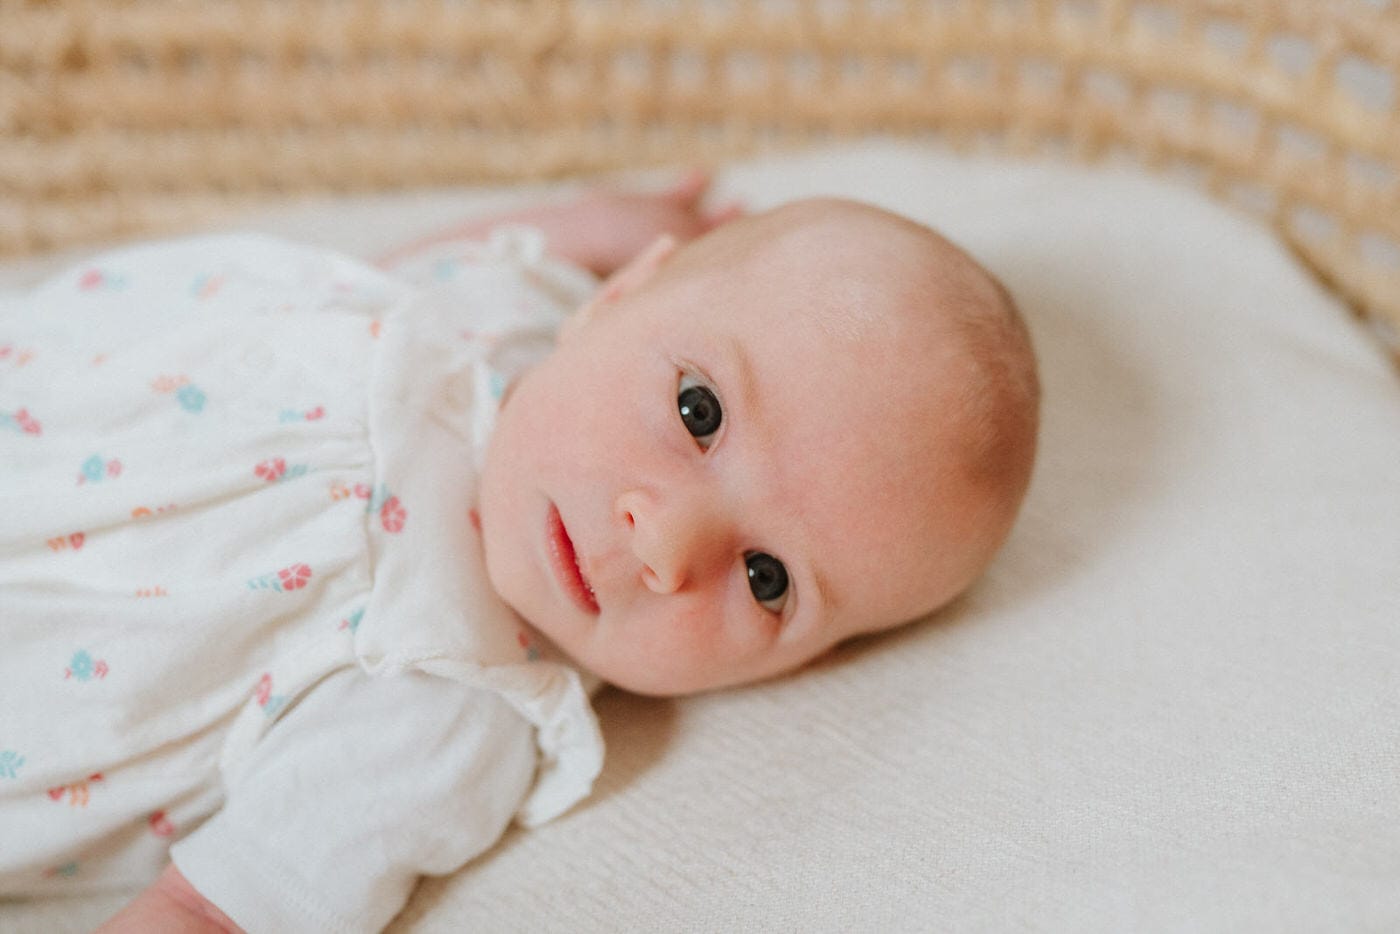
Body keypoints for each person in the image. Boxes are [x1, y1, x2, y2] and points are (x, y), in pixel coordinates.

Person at [0, 171, 1038, 931]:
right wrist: (593, 218)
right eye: (697, 409)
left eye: (766, 580)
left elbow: (215, 907)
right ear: (621, 294)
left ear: (795, 666)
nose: (665, 543)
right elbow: (421, 262)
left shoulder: (453, 702)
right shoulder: (515, 311)